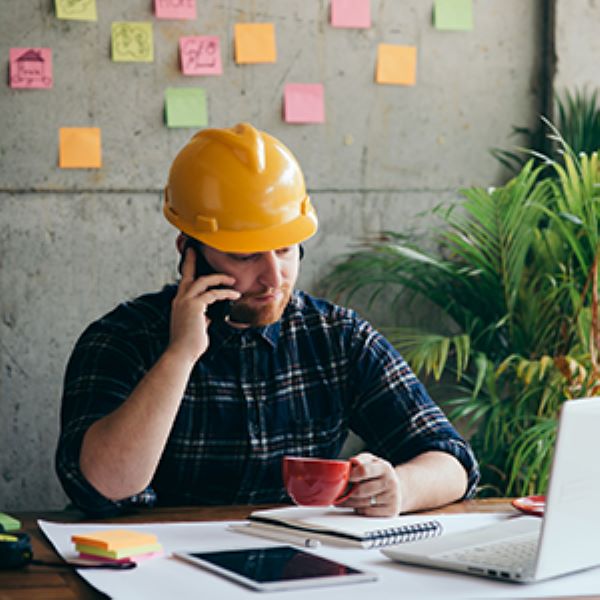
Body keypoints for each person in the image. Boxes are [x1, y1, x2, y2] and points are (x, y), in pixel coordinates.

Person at [56, 123, 479, 518]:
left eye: (285, 249)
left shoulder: (336, 338)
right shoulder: (121, 339)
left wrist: (399, 488)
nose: (274, 277)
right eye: (245, 255)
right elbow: (103, 486)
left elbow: (452, 461)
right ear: (189, 250)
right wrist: (180, 356)